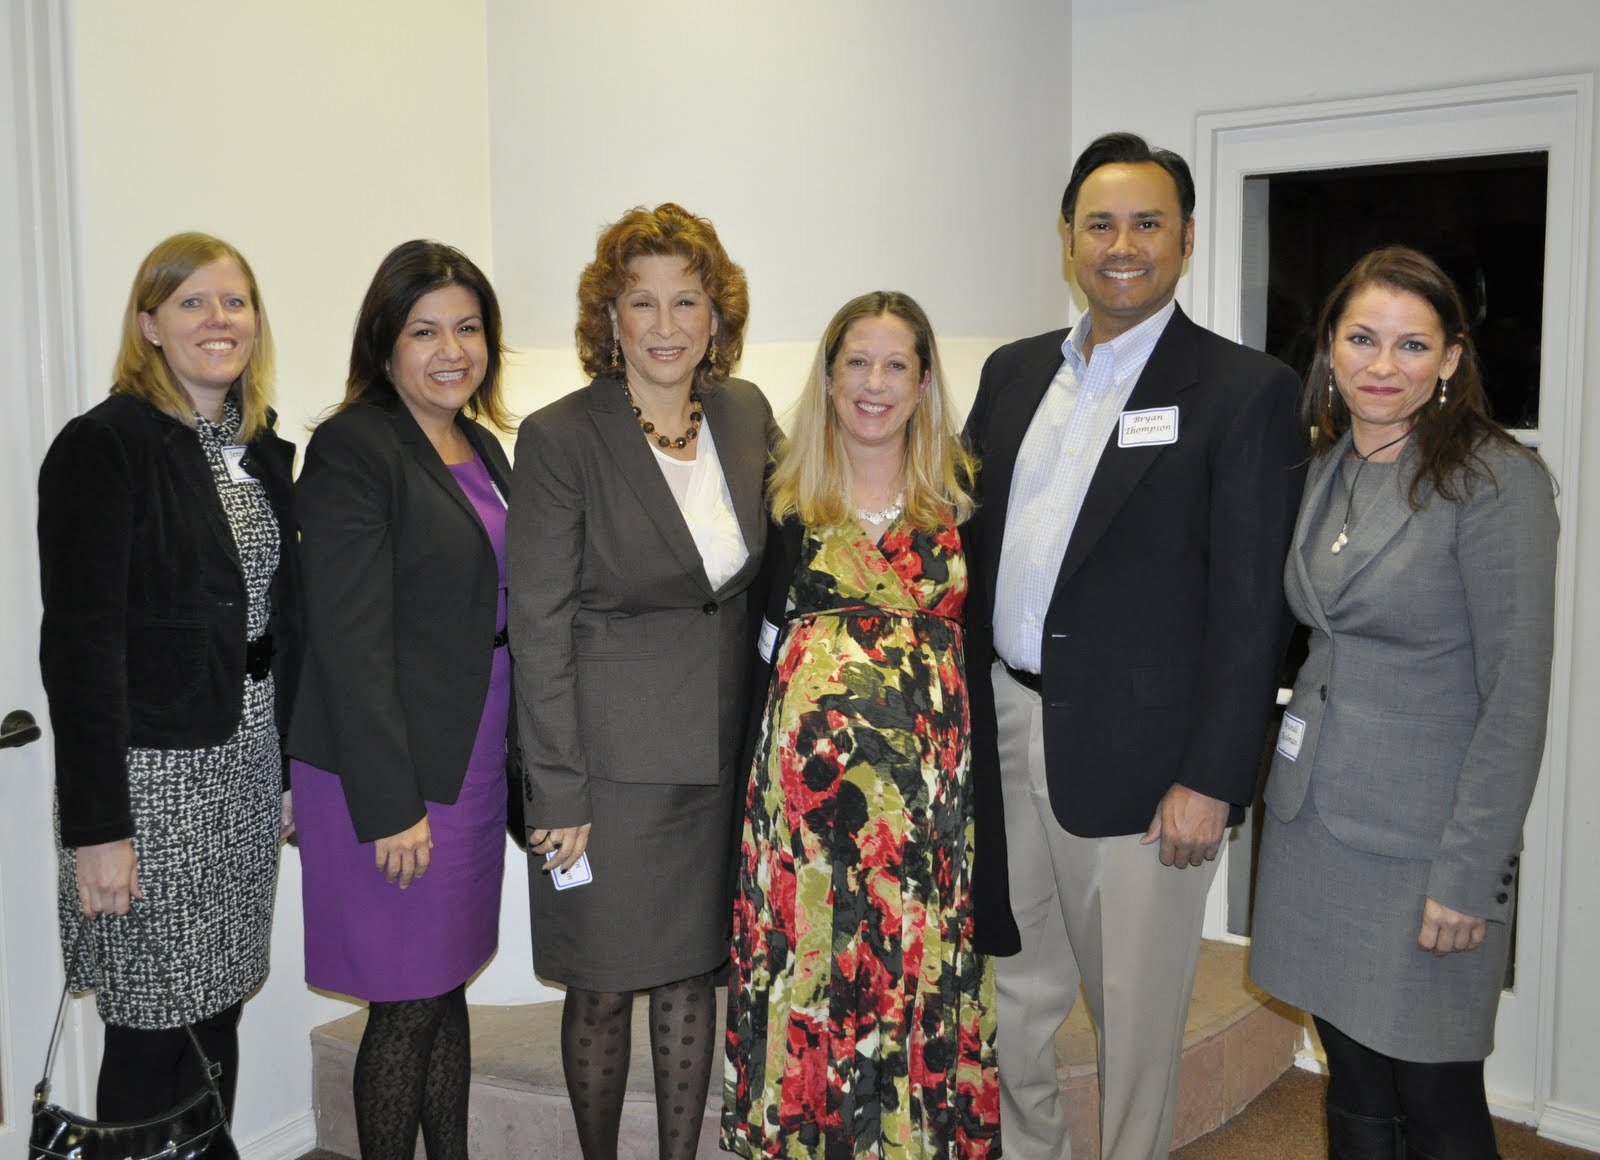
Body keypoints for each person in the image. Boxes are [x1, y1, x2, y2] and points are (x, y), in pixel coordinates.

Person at [960, 131, 1307, 1160]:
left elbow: (1253, 611)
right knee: (1009, 995)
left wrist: (1213, 778)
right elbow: (964, 542)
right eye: (1099, 224)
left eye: (1146, 223)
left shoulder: (1244, 390)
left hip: (1148, 761)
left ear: (1186, 238)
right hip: (1004, 723)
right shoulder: (1014, 373)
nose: (1122, 245)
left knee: (1135, 1017)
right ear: (1067, 239)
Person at [1249, 246, 1558, 1160]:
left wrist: (1471, 874)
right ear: (1330, 348)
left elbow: (1516, 699)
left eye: (1413, 345)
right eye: (1362, 339)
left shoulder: (1495, 481)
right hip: (1314, 827)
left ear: (1451, 358)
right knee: (1352, 1084)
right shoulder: (1324, 468)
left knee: (1436, 1095)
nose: (1383, 365)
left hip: (1426, 847)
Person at [508, 203, 773, 1160]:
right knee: (601, 983)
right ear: (609, 318)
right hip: (607, 774)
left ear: (716, 315)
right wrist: (557, 792)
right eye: (642, 302)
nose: (666, 325)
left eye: (686, 301)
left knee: (693, 976)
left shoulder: (745, 415)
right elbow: (537, 625)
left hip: (720, 757)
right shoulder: (560, 436)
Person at [721, 290, 1001, 1159]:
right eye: (857, 364)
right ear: (830, 376)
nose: (874, 384)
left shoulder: (965, 501)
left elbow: (984, 658)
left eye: (895, 366)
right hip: (805, 830)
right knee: (815, 981)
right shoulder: (782, 499)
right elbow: (753, 653)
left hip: (925, 828)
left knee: (915, 985)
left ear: (923, 384)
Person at [38, 231, 298, 1153]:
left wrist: (287, 770)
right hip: (151, 791)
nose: (218, 320)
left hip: (244, 769)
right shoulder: (104, 446)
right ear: (149, 324)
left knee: (215, 1015)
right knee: (152, 1034)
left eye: (234, 302)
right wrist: (99, 831)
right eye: (192, 302)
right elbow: (79, 651)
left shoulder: (259, 450)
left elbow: (279, 620)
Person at [288, 240, 515, 1160]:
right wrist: (390, 806)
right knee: (406, 1002)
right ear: (384, 341)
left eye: (468, 328)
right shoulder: (354, 447)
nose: (451, 350)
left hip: (471, 752)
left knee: (442, 984)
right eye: (425, 331)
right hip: (389, 771)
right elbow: (348, 640)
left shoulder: (480, 445)